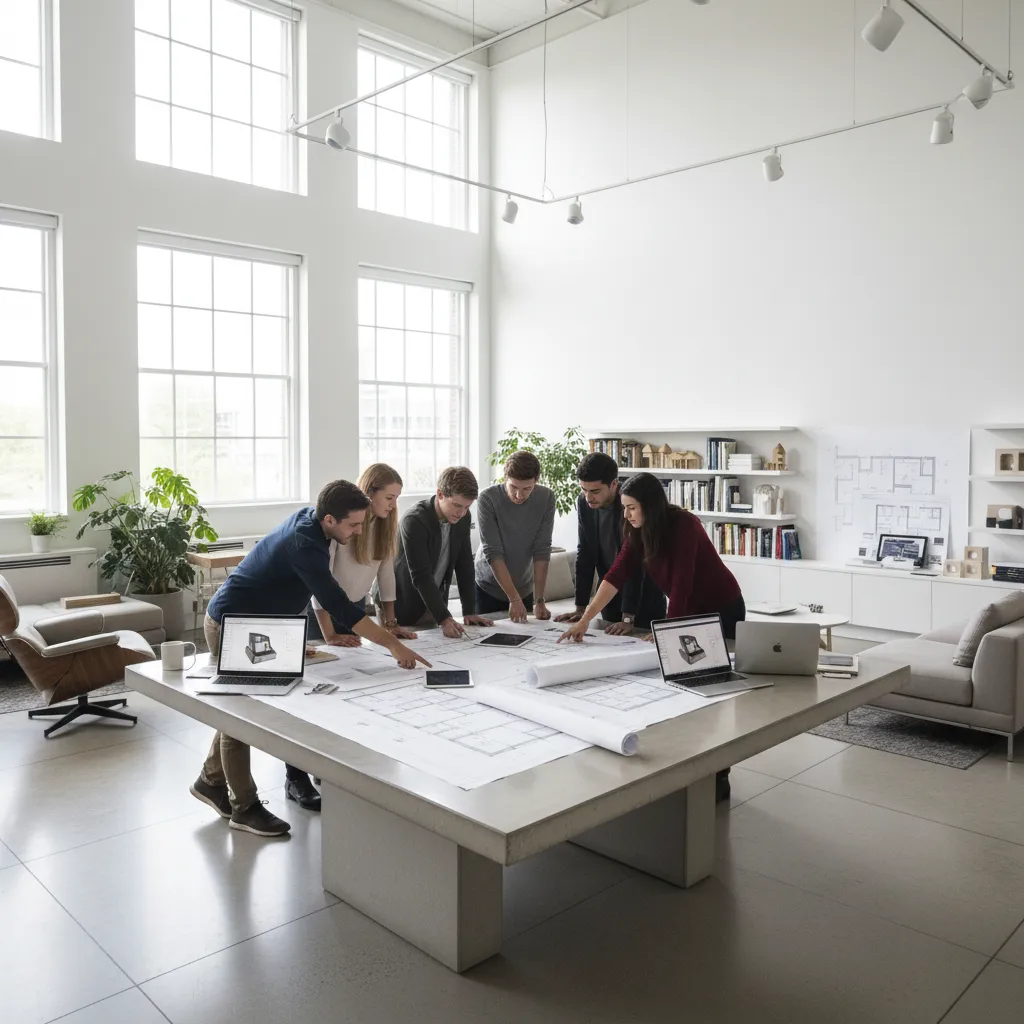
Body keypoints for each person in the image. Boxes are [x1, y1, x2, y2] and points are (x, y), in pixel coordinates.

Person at [190, 480, 430, 837]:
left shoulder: (315, 524)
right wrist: (392, 645)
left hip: (261, 625)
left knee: (240, 711)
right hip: (233, 625)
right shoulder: (305, 544)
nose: (359, 530)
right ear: (330, 519)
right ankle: (244, 807)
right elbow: (339, 606)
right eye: (353, 525)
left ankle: (210, 782)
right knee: (241, 714)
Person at [557, 471, 744, 801]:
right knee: (683, 691)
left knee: (711, 694)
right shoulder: (637, 531)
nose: (625, 514)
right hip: (688, 611)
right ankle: (688, 765)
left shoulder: (684, 525)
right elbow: (615, 575)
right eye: (624, 508)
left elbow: (683, 585)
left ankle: (719, 774)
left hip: (721, 610)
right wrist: (585, 618)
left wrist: (667, 633)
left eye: (631, 508)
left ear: (650, 506)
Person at [555, 452, 666, 635]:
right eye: (584, 490)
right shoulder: (584, 503)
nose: (588, 498)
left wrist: (628, 617)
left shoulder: (631, 505)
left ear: (614, 484)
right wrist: (580, 607)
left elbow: (634, 564)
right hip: (609, 596)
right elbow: (585, 553)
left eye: (595, 491)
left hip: (643, 599)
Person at [308, 463, 416, 646]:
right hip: (322, 614)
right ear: (370, 492)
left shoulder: (385, 526)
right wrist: (329, 635)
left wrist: (391, 624)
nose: (393, 505)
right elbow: (320, 584)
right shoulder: (341, 523)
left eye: (397, 498)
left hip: (353, 610)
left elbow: (386, 576)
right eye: (389, 497)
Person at [391, 466, 494, 637]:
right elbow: (421, 576)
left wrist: (469, 611)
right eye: (456, 505)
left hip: (433, 604)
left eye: (467, 507)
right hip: (400, 604)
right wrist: (444, 619)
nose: (461, 513)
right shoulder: (414, 520)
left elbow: (464, 565)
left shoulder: (463, 517)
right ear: (440, 494)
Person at [474, 450, 556, 623]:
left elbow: (542, 548)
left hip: (524, 588)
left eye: (527, 488)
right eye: (514, 487)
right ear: (505, 478)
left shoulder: (546, 497)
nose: (519, 495)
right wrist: (513, 598)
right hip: (488, 587)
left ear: (536, 481)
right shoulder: (487, 498)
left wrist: (539, 600)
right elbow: (493, 551)